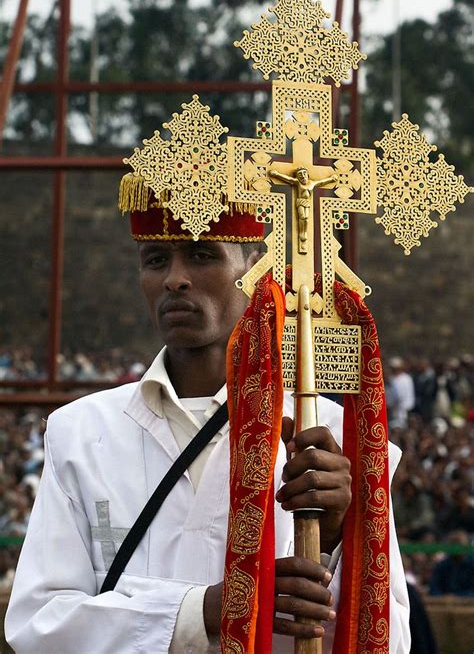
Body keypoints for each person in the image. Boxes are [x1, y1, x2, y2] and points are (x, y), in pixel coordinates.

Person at [5, 100, 410, 653]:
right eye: (155, 261)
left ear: (252, 265)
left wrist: (340, 536)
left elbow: (391, 640)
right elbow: (37, 626)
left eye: (201, 256)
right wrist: (207, 610)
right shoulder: (80, 433)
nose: (174, 280)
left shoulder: (340, 443)